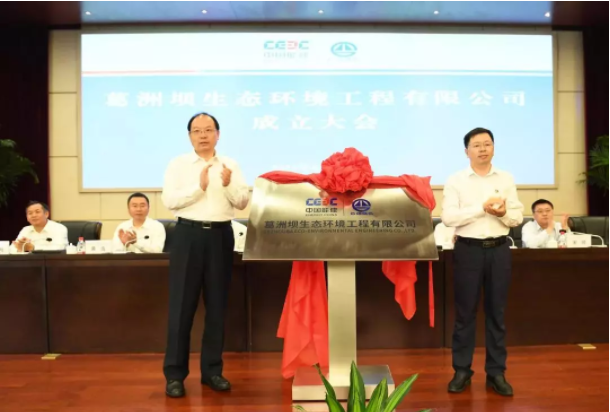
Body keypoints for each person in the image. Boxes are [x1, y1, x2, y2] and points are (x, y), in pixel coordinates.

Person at [161, 112, 249, 398]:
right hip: (187, 235)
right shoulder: (178, 164)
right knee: (181, 307)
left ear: (217, 134)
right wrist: (198, 188)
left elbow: (242, 202)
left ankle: (212, 371)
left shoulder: (230, 164)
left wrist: (228, 184)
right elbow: (170, 201)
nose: (203, 135)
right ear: (189, 136)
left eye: (208, 130)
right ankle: (175, 375)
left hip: (220, 236)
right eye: (197, 131)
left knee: (217, 306)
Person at [441, 127, 523, 397]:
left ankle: (496, 372)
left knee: (496, 313)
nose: (483, 149)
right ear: (467, 151)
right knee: (465, 314)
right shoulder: (456, 180)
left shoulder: (506, 178)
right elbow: (449, 218)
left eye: (487, 144)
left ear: (494, 148)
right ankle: (461, 370)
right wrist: (482, 209)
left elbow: (516, 217)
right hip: (468, 250)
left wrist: (502, 213)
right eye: (476, 145)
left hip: (499, 250)